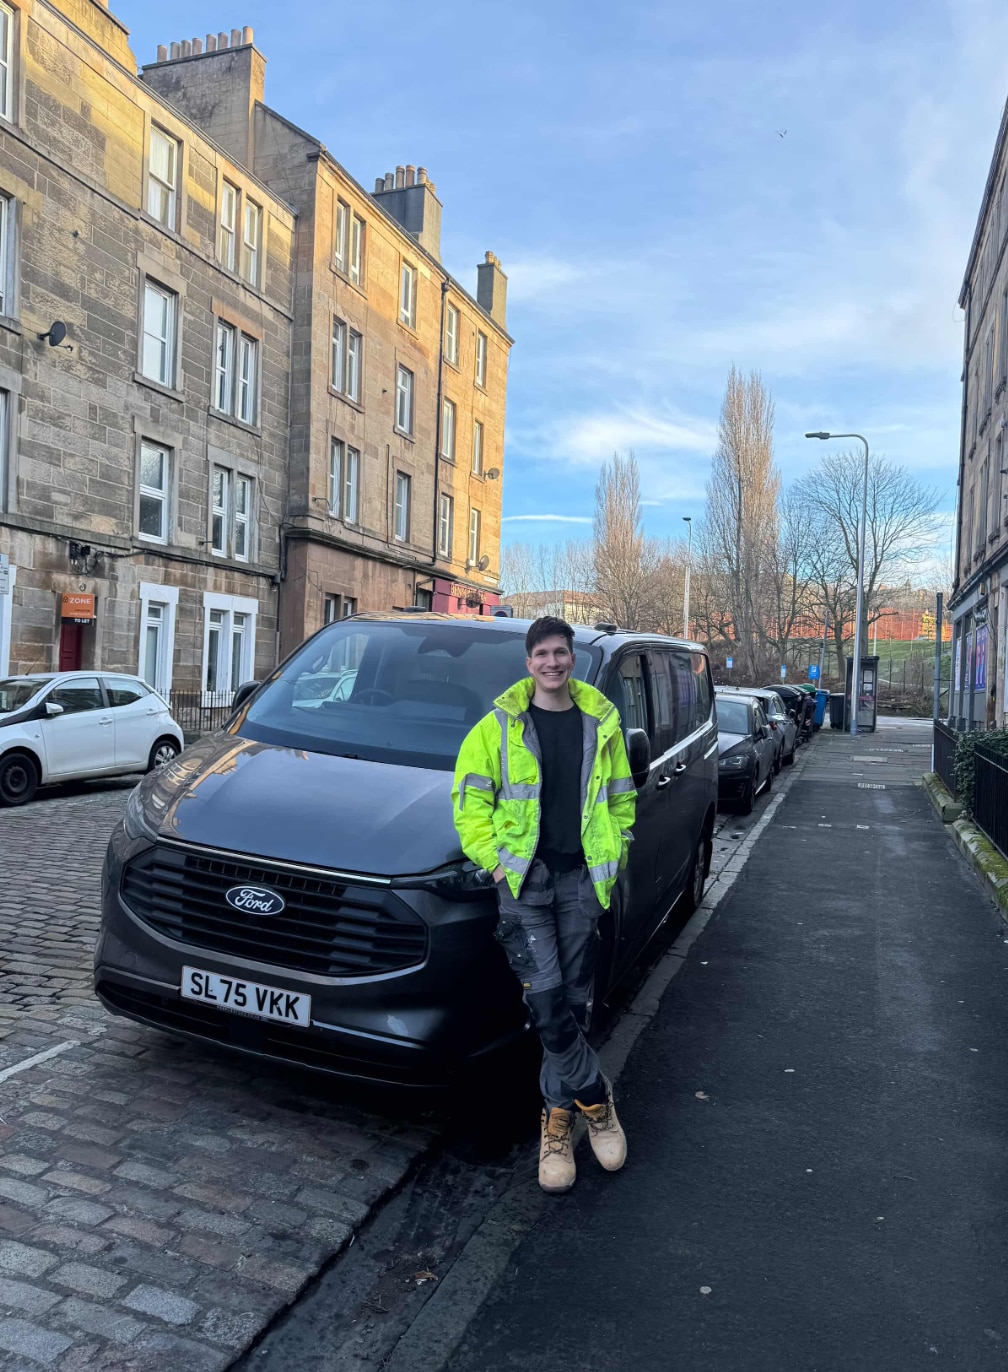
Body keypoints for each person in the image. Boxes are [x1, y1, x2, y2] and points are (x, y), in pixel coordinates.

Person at [452, 616, 637, 1193]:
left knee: (574, 1005)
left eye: (560, 653)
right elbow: (468, 805)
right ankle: (596, 1101)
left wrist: (618, 848)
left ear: (572, 657)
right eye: (542, 655)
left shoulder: (600, 722)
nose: (552, 663)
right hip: (525, 889)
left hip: (581, 884)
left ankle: (555, 1127)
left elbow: (620, 800)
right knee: (550, 1005)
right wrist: (500, 862)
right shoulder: (497, 728)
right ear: (528, 662)